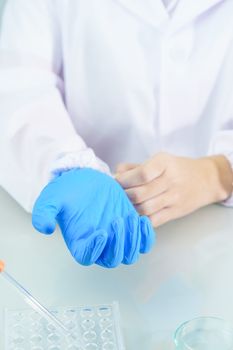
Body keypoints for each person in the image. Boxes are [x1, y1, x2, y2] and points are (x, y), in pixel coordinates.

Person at [0, 0, 232, 268]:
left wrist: (218, 174)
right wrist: (69, 166)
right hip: (69, 239)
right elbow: (17, 88)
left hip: (218, 244)